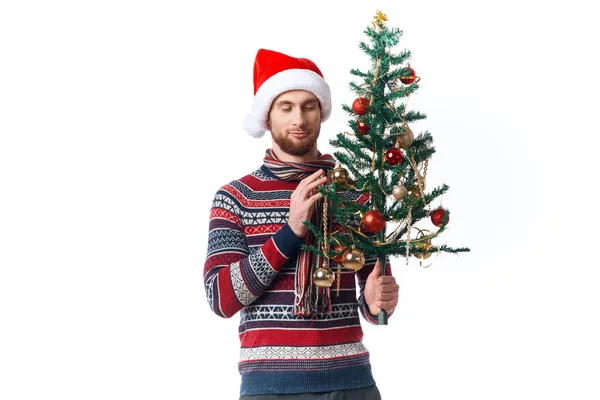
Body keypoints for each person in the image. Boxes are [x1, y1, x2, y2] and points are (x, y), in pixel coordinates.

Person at [203, 48, 400, 400]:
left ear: (321, 113)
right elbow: (221, 298)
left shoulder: (356, 197)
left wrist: (375, 304)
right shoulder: (235, 197)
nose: (299, 119)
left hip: (351, 383)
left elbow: (373, 302)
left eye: (308, 106)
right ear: (267, 116)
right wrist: (290, 230)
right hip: (270, 389)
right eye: (286, 107)